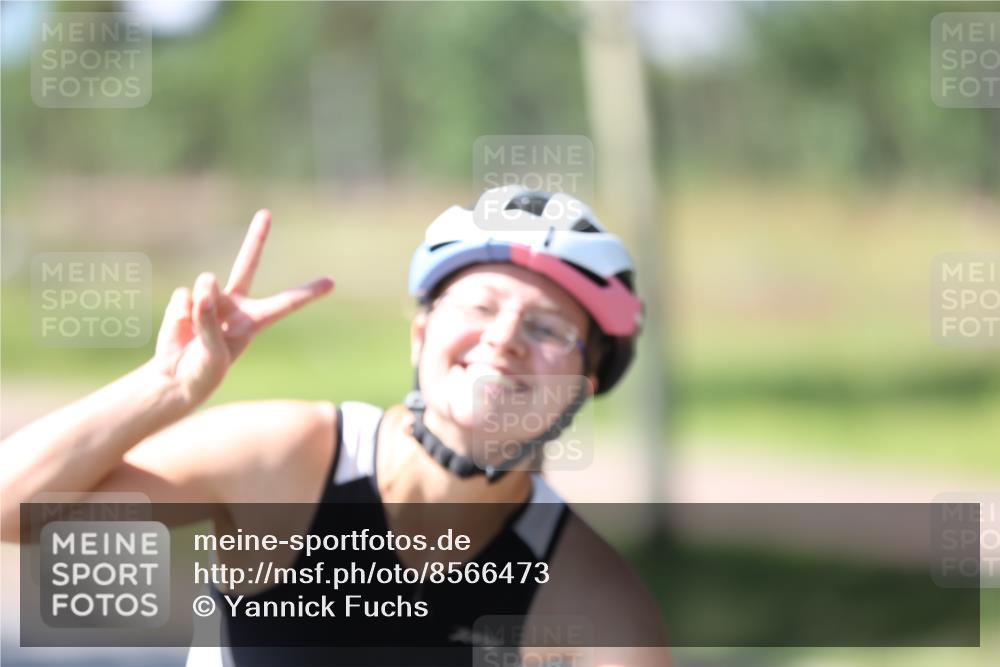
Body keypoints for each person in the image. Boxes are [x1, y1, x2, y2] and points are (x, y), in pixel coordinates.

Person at [2, 185, 669, 666]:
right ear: (420, 334)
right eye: (479, 303)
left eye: (547, 327)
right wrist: (165, 387)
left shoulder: (597, 610)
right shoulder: (287, 458)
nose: (503, 338)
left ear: (582, 387)